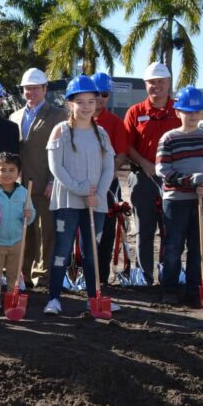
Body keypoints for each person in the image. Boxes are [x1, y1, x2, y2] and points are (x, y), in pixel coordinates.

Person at [45, 76, 115, 316]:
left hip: (95, 203)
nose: (86, 106)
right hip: (67, 201)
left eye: (91, 101)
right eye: (80, 102)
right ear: (70, 103)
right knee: (62, 251)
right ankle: (54, 298)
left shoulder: (102, 133)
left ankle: (94, 298)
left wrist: (99, 194)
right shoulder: (61, 131)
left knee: (92, 253)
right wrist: (80, 189)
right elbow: (56, 167)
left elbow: (109, 167)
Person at [156, 86, 203, 307]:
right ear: (178, 112)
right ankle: (169, 289)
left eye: (196, 111)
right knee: (173, 247)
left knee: (198, 248)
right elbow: (162, 169)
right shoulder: (169, 138)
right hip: (175, 202)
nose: (192, 115)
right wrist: (188, 181)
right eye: (187, 111)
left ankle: (194, 290)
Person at [8, 68, 67, 289]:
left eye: (35, 88)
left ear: (44, 89)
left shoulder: (58, 115)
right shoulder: (15, 116)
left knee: (45, 231)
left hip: (44, 183)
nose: (31, 92)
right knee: (24, 230)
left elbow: (61, 151)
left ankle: (41, 275)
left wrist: (53, 180)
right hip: (19, 185)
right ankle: (23, 273)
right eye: (27, 89)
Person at [124, 63, 181, 286]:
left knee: (171, 228)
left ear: (168, 83)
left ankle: (169, 275)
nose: (156, 86)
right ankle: (144, 276)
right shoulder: (135, 112)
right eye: (152, 82)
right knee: (144, 229)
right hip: (143, 177)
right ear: (145, 84)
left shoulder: (179, 110)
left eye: (161, 82)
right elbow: (127, 145)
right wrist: (144, 163)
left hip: (174, 179)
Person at [90, 72, 131, 285]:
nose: (99, 98)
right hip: (80, 183)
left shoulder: (115, 122)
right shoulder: (74, 120)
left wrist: (107, 174)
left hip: (107, 186)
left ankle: (102, 277)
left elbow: (121, 154)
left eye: (104, 94)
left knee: (106, 232)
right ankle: (79, 273)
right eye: (95, 93)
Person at [0, 153, 36, 315]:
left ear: (19, 173)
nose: (7, 174)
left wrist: (29, 215)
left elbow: (31, 214)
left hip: (17, 240)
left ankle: (11, 299)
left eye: (11, 170)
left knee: (14, 274)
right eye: (3, 170)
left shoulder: (23, 192)